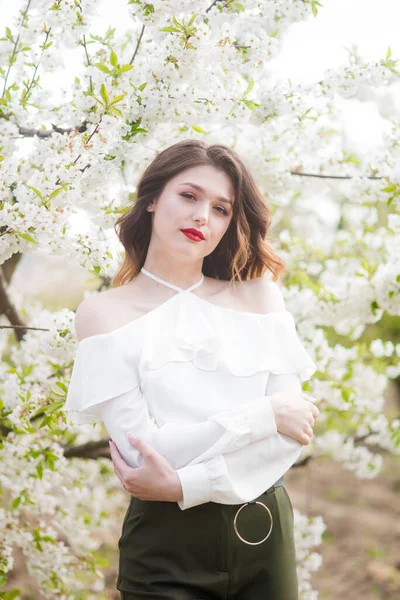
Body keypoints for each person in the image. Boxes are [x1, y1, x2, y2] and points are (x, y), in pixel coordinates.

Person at [63, 139, 320, 600]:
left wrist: (184, 483)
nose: (204, 215)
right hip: (165, 544)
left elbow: (291, 435)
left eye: (221, 209)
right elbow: (145, 455)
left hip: (263, 530)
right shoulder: (103, 314)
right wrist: (262, 416)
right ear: (152, 200)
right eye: (189, 196)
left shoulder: (259, 296)